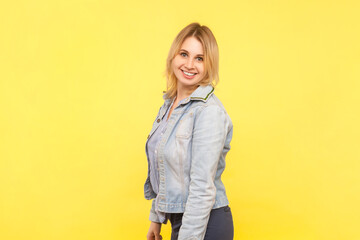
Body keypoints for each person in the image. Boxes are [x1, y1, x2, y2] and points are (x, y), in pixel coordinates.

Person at [144, 22, 234, 240]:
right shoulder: (169, 105)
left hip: (205, 222)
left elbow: (202, 187)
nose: (190, 64)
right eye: (184, 54)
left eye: (200, 58)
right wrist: (156, 218)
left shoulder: (208, 112)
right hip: (179, 218)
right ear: (173, 57)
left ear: (208, 64)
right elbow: (165, 168)